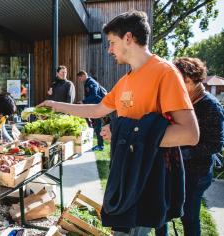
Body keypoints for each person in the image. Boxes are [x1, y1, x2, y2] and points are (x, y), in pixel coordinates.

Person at [39, 11, 199, 235]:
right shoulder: (125, 81)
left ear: (128, 38)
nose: (109, 50)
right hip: (124, 171)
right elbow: (96, 110)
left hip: (148, 177)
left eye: (112, 43)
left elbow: (189, 133)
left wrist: (124, 134)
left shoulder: (165, 72)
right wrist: (56, 106)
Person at [156, 57, 224, 236]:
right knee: (162, 211)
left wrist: (182, 153)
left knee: (189, 217)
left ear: (189, 80)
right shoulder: (182, 99)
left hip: (196, 174)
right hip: (174, 168)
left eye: (177, 81)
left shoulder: (210, 105)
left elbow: (215, 144)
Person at [78, 70, 106, 151]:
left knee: (98, 126)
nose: (80, 80)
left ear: (83, 75)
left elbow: (94, 95)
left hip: (98, 107)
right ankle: (100, 144)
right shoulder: (88, 82)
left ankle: (101, 145)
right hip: (95, 107)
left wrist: (83, 101)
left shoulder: (91, 82)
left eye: (80, 78)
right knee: (97, 126)